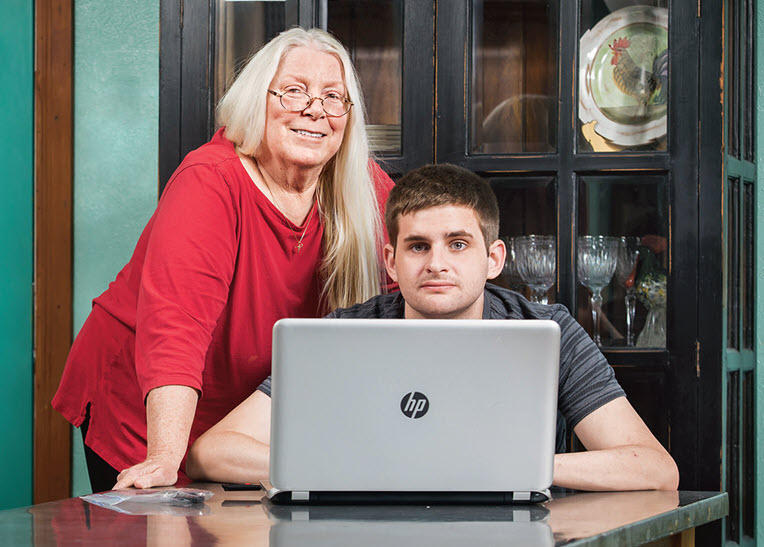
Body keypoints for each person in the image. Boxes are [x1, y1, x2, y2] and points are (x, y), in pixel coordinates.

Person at [186, 164, 679, 492]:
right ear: (392, 261)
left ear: (493, 258)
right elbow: (212, 452)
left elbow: (654, 468)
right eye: (418, 246)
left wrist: (508, 470)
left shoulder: (548, 330)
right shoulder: (344, 334)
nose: (436, 263)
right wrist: (353, 471)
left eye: (458, 244)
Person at [52, 27, 395, 492]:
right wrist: (164, 457)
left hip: (241, 415)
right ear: (258, 100)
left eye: (333, 97)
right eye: (294, 91)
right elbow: (176, 326)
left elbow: (409, 291)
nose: (315, 109)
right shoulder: (210, 181)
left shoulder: (364, 186)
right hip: (147, 403)